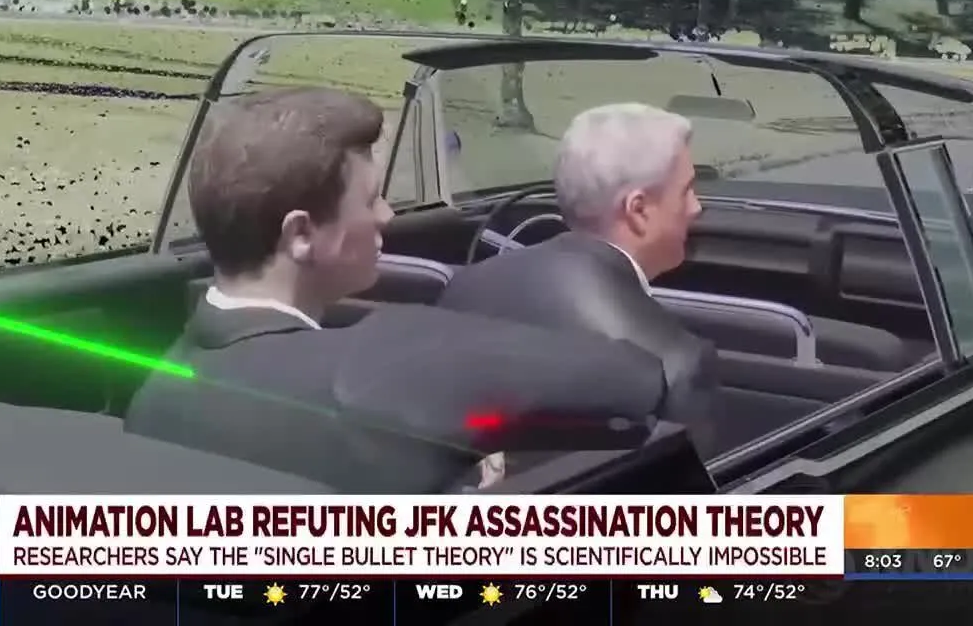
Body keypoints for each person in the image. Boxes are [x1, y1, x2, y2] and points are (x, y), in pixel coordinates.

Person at [126, 88, 677, 491]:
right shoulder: (387, 364)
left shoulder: (154, 397)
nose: (387, 215)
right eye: (370, 200)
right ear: (301, 235)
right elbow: (643, 381)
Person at [437, 103, 720, 456]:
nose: (696, 207)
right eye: (686, 190)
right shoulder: (673, 367)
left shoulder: (465, 289)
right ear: (638, 210)